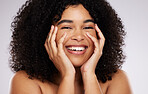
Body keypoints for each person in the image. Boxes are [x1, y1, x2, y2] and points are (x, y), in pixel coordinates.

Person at [9, 0, 132, 94]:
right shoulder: (25, 81)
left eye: (87, 27)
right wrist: (68, 75)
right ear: (44, 34)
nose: (78, 36)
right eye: (67, 27)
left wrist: (89, 74)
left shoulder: (116, 80)